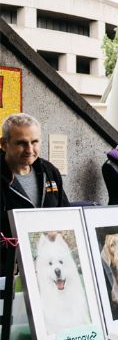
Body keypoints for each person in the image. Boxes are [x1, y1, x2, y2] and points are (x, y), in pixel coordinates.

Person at [1, 114, 71, 278]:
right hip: (7, 273)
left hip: (47, 268)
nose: (30, 150)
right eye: (21, 143)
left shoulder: (49, 171)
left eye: (34, 142)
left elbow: (66, 215)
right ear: (4, 144)